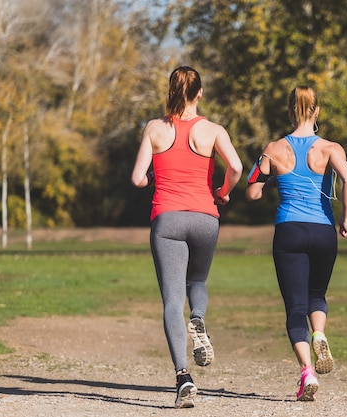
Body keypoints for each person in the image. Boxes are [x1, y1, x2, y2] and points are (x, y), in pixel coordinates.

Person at [131, 66, 243, 408]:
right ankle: (199, 317)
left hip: (167, 220)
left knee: (170, 300)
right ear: (200, 92)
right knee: (198, 279)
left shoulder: (154, 129)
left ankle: (182, 377)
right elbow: (236, 167)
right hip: (205, 217)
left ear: (170, 91)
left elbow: (137, 178)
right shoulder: (212, 130)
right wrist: (222, 191)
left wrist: (154, 178)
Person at [245, 86, 347, 401]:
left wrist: (264, 172)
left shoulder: (273, 149)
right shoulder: (332, 148)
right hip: (323, 231)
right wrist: (345, 219)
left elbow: (252, 191)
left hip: (289, 231)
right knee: (316, 295)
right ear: (317, 111)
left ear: (290, 111)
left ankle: (307, 371)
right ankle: (319, 333)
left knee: (295, 307)